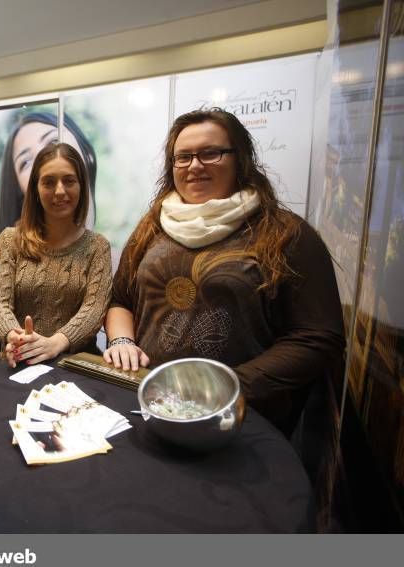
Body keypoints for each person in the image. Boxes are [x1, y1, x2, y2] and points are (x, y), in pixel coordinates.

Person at [103, 108, 345, 435]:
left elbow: (318, 337)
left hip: (240, 419)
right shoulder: (151, 227)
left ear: (240, 159)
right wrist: (121, 341)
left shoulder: (286, 234)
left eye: (210, 153)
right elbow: (121, 299)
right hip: (148, 404)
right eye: (183, 157)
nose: (195, 165)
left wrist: (225, 387)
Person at [0, 142, 112, 367]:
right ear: (35, 188)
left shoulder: (97, 247)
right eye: (49, 182)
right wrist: (14, 337)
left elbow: (93, 311)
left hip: (75, 366)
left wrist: (55, 343)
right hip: (20, 361)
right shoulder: (9, 240)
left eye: (69, 180)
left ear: (82, 186)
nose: (60, 191)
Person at [0, 112, 97, 237]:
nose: (43, 161)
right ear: (21, 192)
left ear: (88, 155)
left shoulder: (107, 252)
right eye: (26, 162)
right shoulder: (10, 246)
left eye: (53, 142)